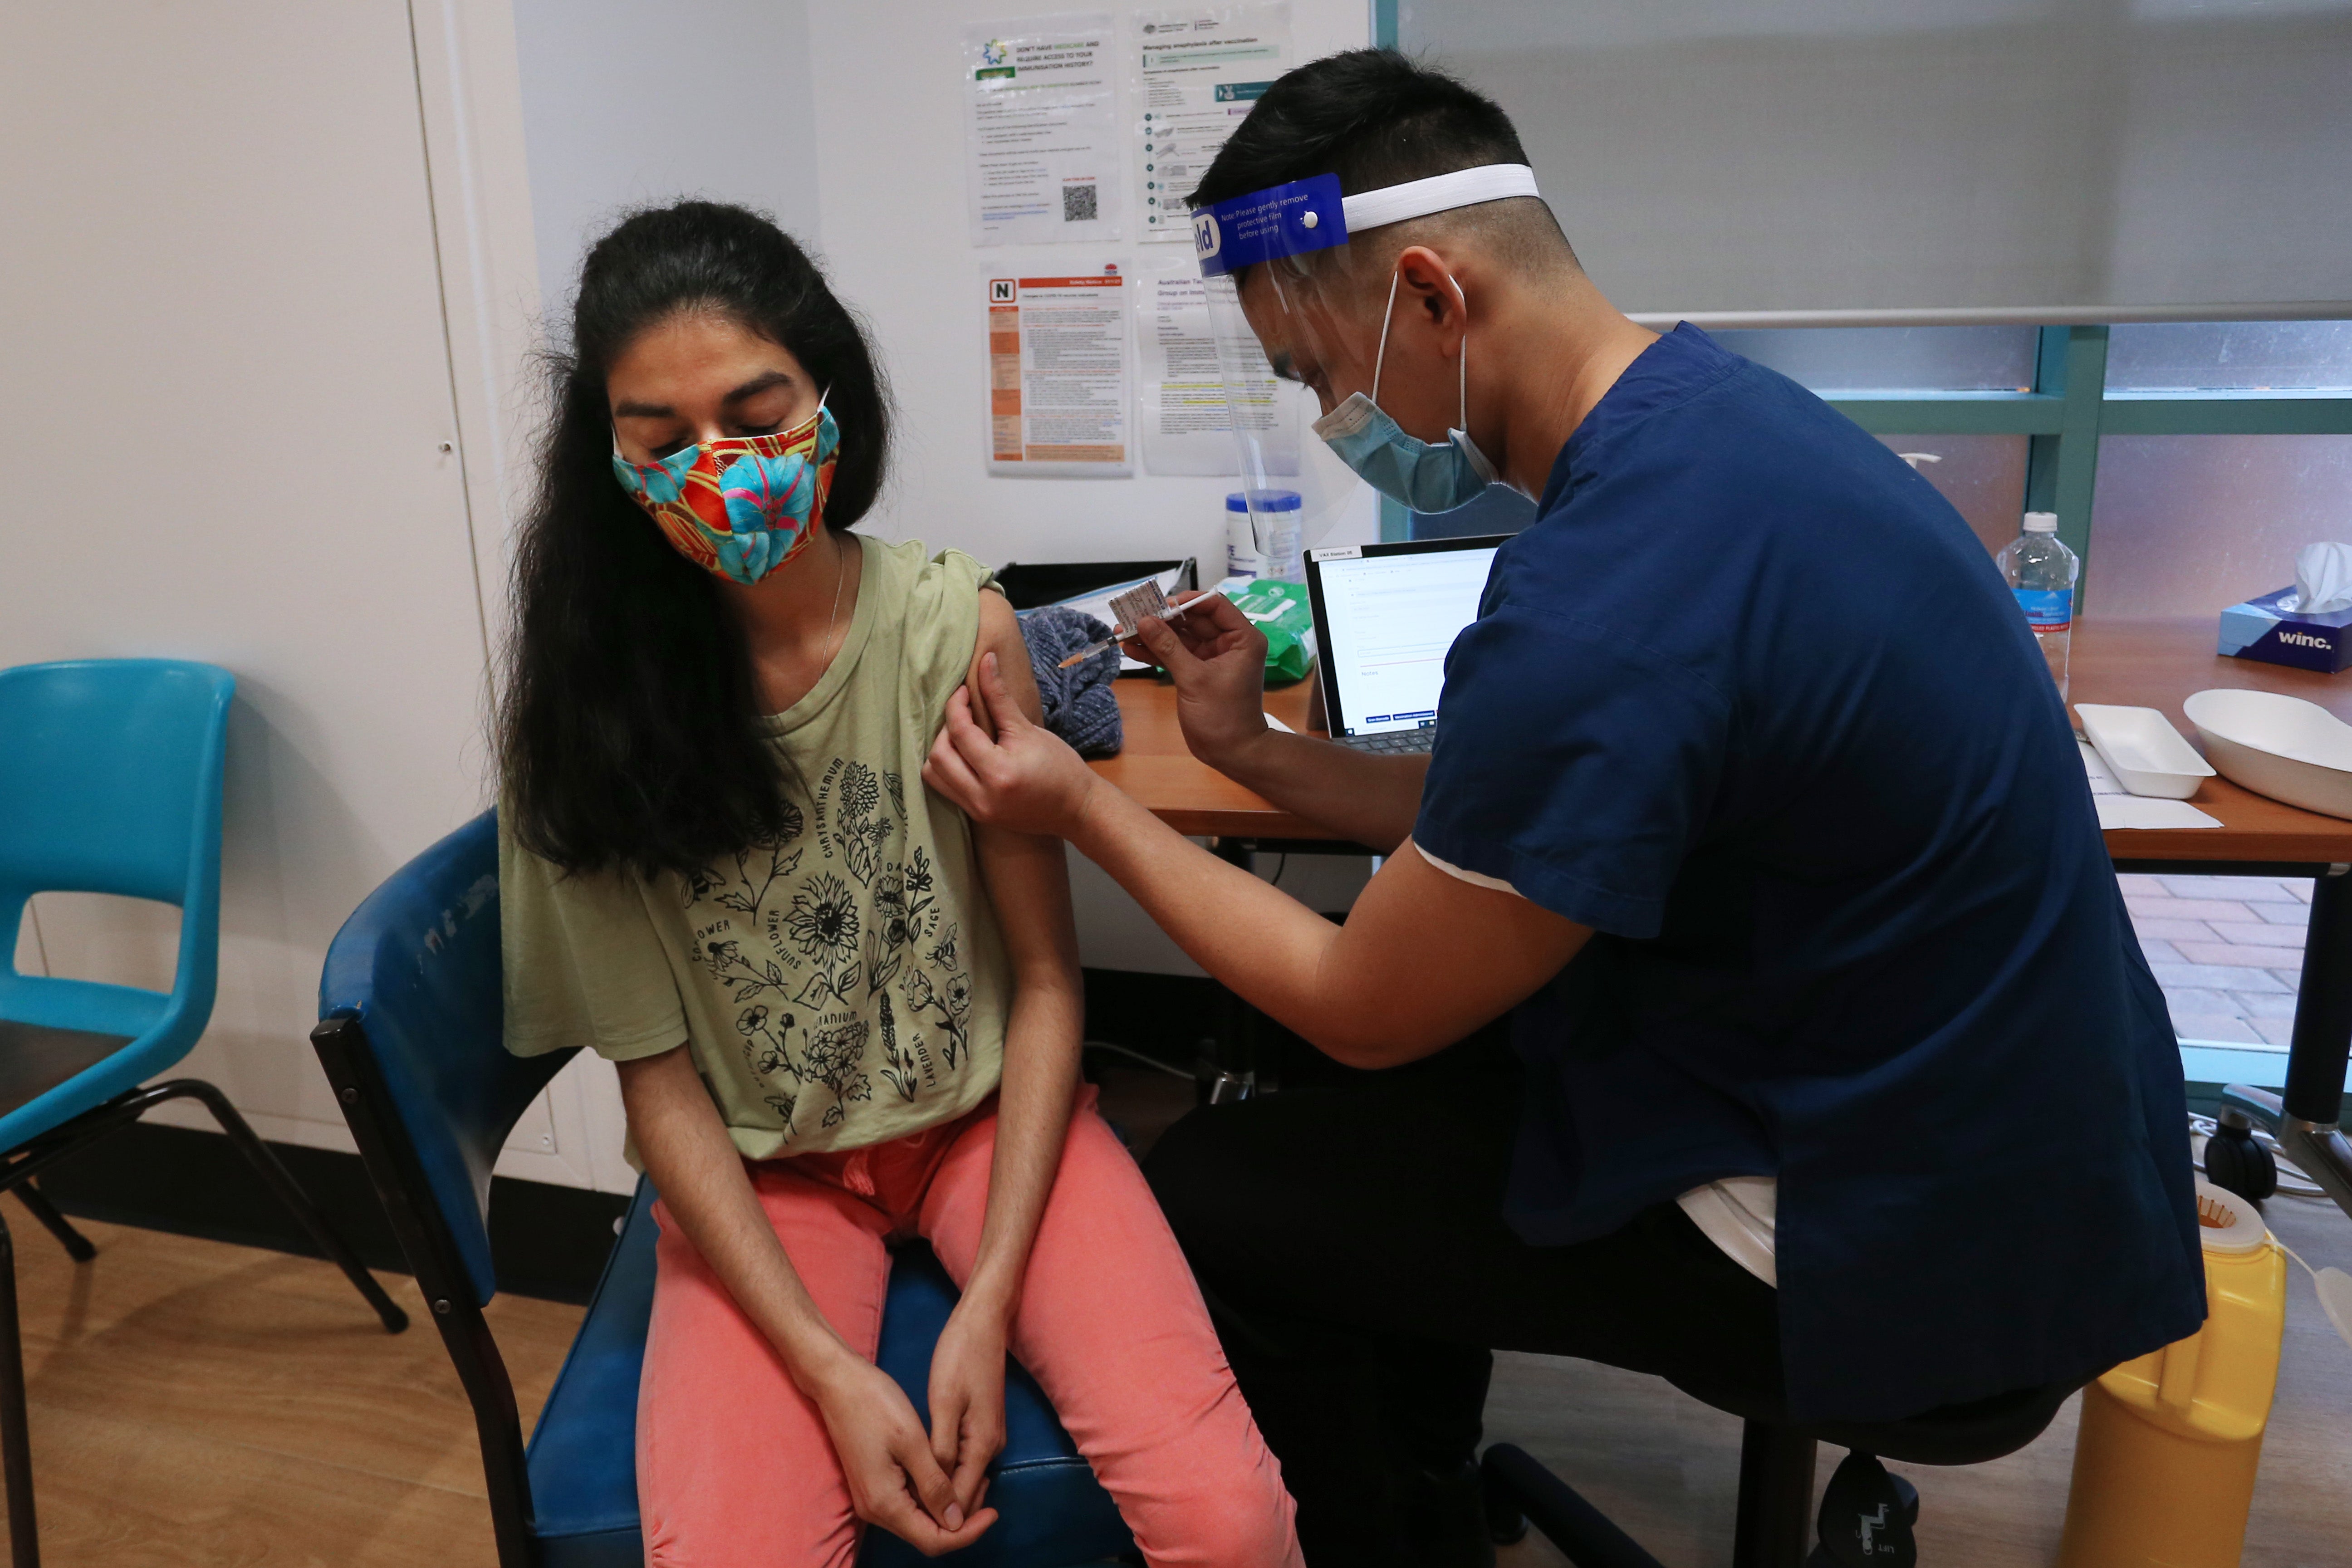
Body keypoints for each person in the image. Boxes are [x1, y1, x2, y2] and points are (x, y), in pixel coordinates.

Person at [922, 51, 2205, 1568]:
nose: (1332, 415)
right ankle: (1432, 1473)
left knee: (1213, 1187)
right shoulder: (1723, 429)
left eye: (1318, 372)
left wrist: (1079, 806)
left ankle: (1393, 1534)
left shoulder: (1611, 594)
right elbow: (1508, 819)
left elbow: (1364, 1006)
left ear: (1433, 297)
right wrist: (1257, 756)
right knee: (1359, 1080)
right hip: (2020, 1138)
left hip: (1895, 1234)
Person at [495, 201, 1301, 1568]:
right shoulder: (590, 714)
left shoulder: (954, 626)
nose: (721, 468)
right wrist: (824, 1369)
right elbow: (659, 1083)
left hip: (985, 1123)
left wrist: (986, 1305)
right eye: (663, 442)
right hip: (768, 1175)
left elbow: (1047, 983)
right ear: (611, 461)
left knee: (1231, 1525)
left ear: (830, 405)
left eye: (758, 416)